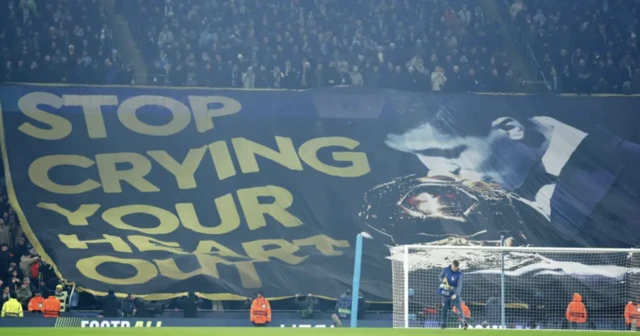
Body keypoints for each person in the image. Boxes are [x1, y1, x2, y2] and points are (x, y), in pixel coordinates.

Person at [385, 106, 640, 248]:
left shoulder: (628, 164)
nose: (444, 172)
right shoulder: (512, 210)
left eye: (453, 153)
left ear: (511, 129)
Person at [438, 260, 467, 329]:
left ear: (458, 267)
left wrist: (455, 294)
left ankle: (463, 323)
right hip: (446, 292)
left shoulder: (459, 274)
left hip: (454, 292)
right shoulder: (446, 270)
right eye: (453, 267)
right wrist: (443, 280)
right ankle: (443, 324)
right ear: (451, 265)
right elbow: (440, 277)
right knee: (445, 308)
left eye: (456, 268)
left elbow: (459, 286)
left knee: (459, 308)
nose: (454, 269)